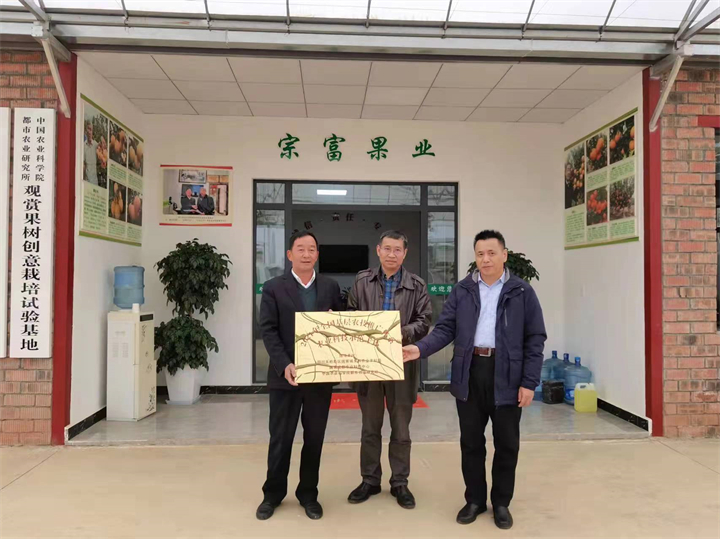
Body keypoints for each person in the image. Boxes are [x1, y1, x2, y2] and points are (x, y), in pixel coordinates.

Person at [402, 230, 546, 530]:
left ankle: (501, 503)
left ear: (504, 255)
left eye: (492, 253)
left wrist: (529, 382)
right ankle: (475, 500)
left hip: (507, 374)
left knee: (507, 444)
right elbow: (445, 329)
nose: (486, 259)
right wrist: (419, 348)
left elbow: (535, 339)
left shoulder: (521, 292)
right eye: (480, 254)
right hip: (470, 371)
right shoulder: (463, 290)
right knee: (471, 443)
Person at [256, 230, 342, 521]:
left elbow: (341, 326)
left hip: (320, 377)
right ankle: (272, 494)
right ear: (290, 254)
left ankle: (308, 494)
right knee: (280, 438)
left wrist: (335, 321)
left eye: (312, 249)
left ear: (317, 255)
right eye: (301, 249)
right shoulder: (273, 287)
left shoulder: (330, 287)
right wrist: (284, 364)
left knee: (314, 438)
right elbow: (268, 330)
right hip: (286, 377)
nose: (307, 254)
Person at [346, 230, 432, 510]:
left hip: (401, 362)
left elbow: (424, 321)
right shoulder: (362, 281)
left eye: (397, 250)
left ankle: (400, 483)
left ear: (405, 253)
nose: (392, 254)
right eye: (387, 249)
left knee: (401, 428)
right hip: (369, 364)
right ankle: (370, 480)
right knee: (370, 427)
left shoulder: (417, 285)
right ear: (378, 251)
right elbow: (351, 314)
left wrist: (393, 332)